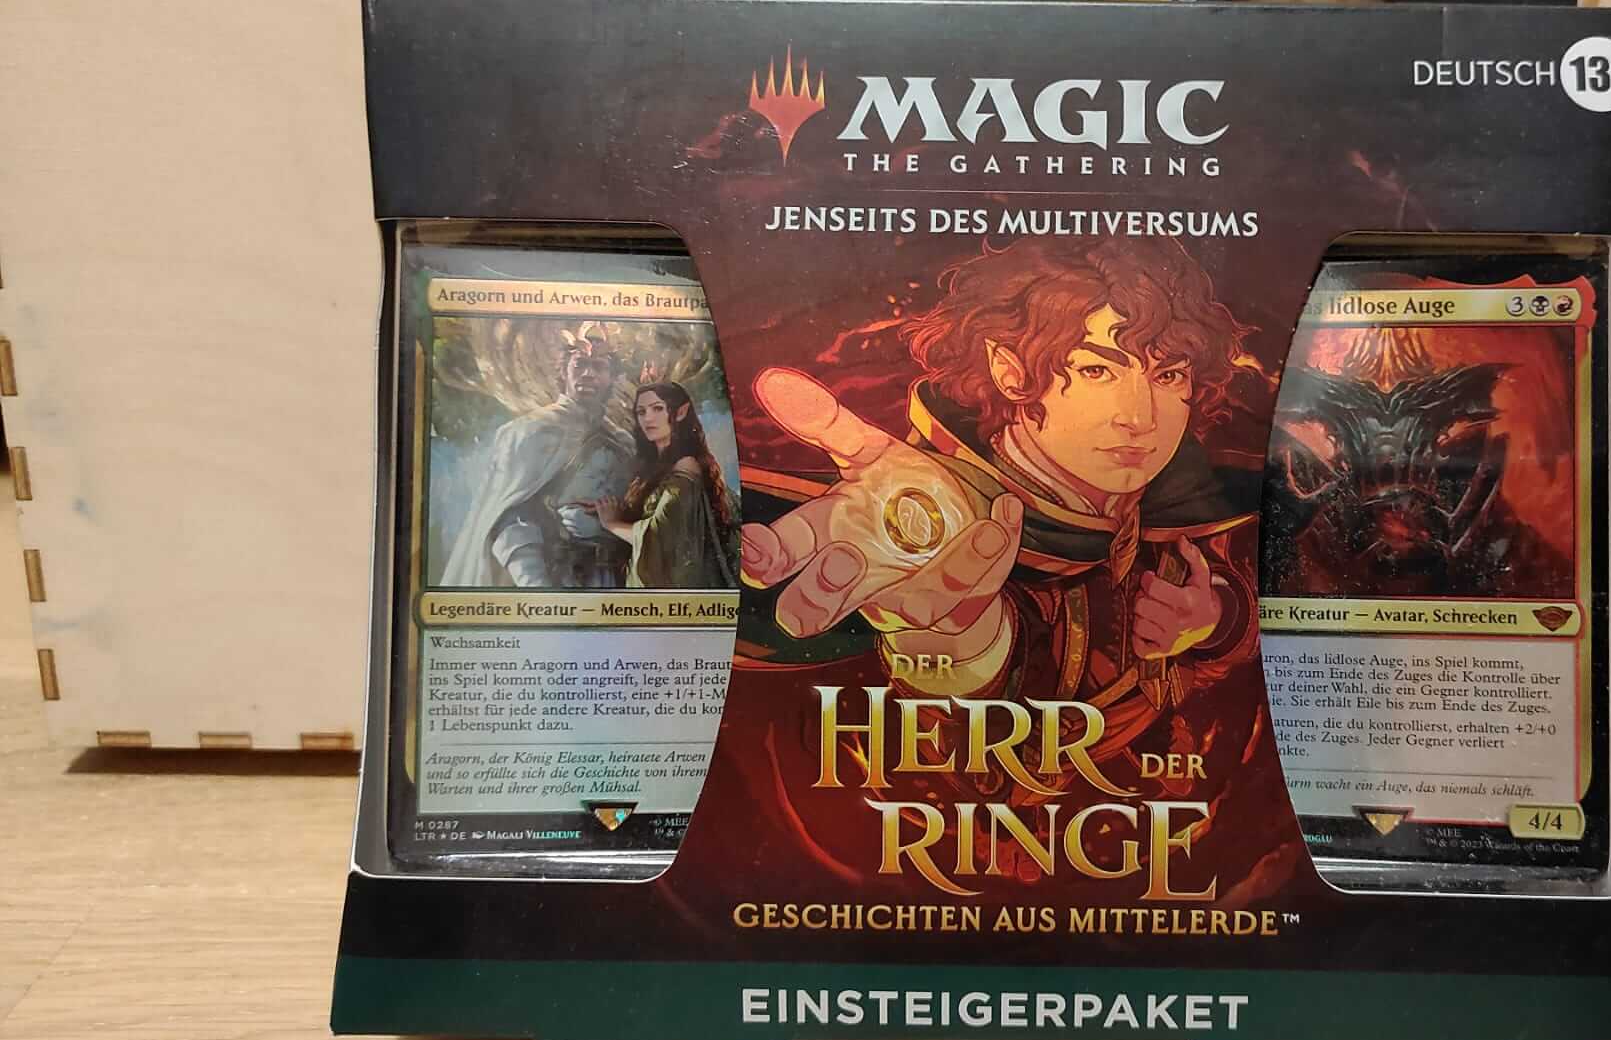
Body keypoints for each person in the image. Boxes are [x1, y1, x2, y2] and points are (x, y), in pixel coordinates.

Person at [741, 238, 1261, 766]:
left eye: (1167, 375)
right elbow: (986, 664)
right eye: (1096, 370)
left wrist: (1217, 617)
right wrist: (954, 648)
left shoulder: (1191, 495)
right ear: (1011, 372)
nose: (1141, 417)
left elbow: (1238, 593)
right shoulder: (947, 508)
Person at [439, 323, 635, 588]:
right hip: (553, 578)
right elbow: (510, 520)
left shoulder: (623, 442)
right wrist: (536, 586)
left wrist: (606, 529)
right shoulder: (528, 432)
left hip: (613, 578)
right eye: (579, 365)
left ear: (612, 377)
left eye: (599, 366)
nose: (588, 374)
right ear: (564, 372)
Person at [592, 377, 739, 589]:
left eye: (658, 408)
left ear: (680, 412)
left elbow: (659, 538)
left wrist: (611, 523)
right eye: (641, 412)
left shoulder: (685, 466)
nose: (648, 418)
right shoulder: (655, 465)